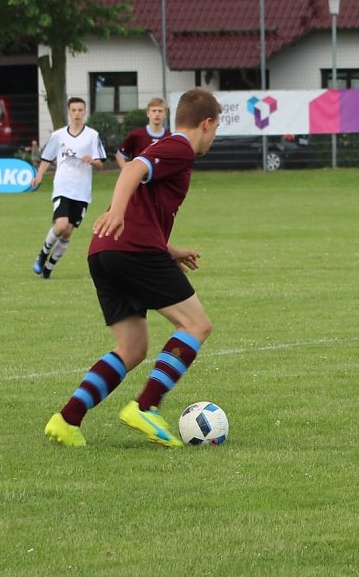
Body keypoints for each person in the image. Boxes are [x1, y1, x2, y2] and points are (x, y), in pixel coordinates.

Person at [44, 87, 222, 448]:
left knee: (132, 347)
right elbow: (133, 170)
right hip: (132, 248)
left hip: (105, 251)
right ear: (206, 123)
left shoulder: (169, 148)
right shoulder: (180, 147)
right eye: (216, 129)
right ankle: (146, 406)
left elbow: (146, 204)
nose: (213, 138)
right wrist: (118, 212)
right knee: (196, 324)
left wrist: (168, 249)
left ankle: (67, 419)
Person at [31, 97, 106, 279]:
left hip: (82, 191)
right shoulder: (59, 135)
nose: (77, 114)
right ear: (69, 112)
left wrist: (92, 161)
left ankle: (48, 268)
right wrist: (39, 175)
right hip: (63, 186)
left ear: (85, 112)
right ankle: (42, 255)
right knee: (61, 225)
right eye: (74, 110)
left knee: (68, 231)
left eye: (80, 110)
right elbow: (47, 158)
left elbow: (101, 163)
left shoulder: (92, 135)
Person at [115, 97, 170, 169]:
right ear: (148, 113)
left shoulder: (170, 137)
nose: (157, 114)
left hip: (163, 179)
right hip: (140, 180)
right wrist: (128, 172)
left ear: (165, 114)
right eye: (154, 111)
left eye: (160, 111)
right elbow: (120, 155)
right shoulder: (136, 135)